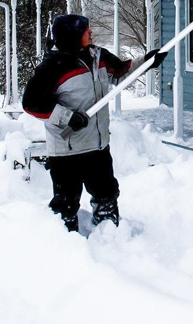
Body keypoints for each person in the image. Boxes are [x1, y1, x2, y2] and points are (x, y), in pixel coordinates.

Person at [22, 14, 167, 232]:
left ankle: (110, 237)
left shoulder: (97, 56)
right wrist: (68, 117)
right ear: (72, 36)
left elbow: (120, 71)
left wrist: (147, 62)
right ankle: (65, 247)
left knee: (107, 194)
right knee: (66, 204)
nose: (91, 33)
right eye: (85, 31)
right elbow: (32, 103)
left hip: (97, 145)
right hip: (66, 150)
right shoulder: (52, 67)